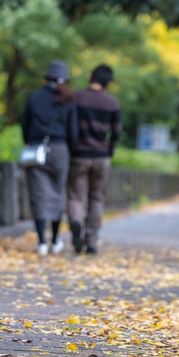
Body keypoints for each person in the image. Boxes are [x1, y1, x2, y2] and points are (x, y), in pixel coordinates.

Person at [20, 60, 78, 256]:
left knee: (38, 195)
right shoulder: (68, 100)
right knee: (57, 194)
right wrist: (69, 150)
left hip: (36, 149)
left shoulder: (34, 97)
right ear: (65, 80)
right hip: (60, 150)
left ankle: (41, 243)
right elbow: (73, 132)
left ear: (47, 78)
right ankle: (54, 240)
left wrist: (30, 142)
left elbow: (25, 125)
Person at [67, 64, 121, 254]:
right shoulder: (112, 103)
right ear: (108, 83)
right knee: (96, 198)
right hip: (101, 156)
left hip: (79, 155)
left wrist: (72, 148)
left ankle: (76, 220)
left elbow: (69, 125)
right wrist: (109, 151)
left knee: (76, 196)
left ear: (90, 76)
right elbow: (116, 132)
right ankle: (91, 241)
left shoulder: (76, 97)